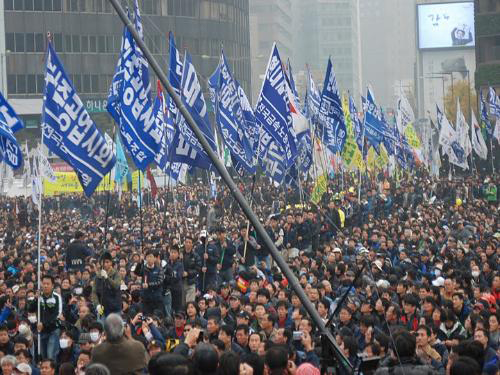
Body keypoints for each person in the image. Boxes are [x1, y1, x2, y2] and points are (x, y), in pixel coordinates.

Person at [38, 275, 63, 360]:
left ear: (52, 285)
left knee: (51, 355)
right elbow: (30, 309)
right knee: (43, 356)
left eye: (48, 284)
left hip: (53, 330)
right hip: (41, 331)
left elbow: (57, 315)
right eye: (44, 283)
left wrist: (44, 324)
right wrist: (35, 298)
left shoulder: (56, 297)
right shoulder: (39, 297)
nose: (45, 286)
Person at [91, 252, 122, 317]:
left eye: (107, 262)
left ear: (111, 263)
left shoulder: (116, 274)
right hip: (102, 310)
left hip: (115, 309)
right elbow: (94, 292)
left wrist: (107, 278)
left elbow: (116, 286)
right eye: (103, 262)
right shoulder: (98, 277)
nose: (105, 264)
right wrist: (97, 305)